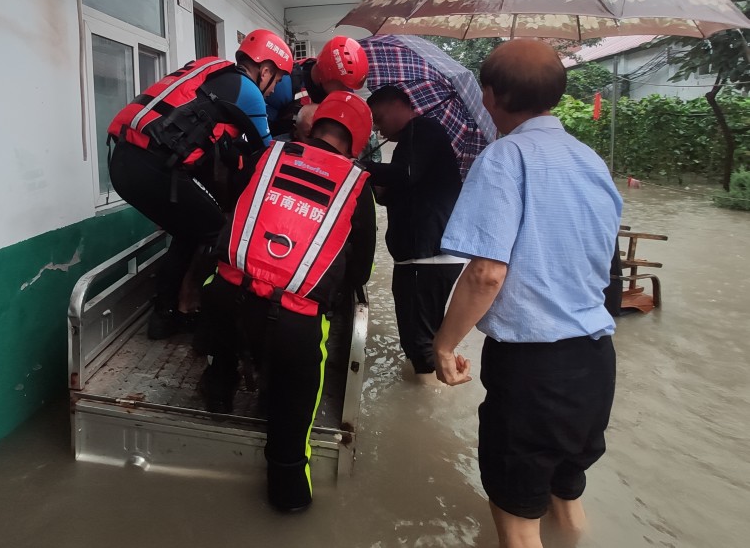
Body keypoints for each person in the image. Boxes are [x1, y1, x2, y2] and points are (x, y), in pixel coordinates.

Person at [433, 38, 622, 548]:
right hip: (595, 365)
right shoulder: (591, 162)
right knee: (566, 495)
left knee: (518, 522)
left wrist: (445, 345)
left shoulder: (504, 157)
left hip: (534, 373)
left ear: (490, 95)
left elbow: (485, 275)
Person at [200, 92, 376, 512]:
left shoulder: (269, 155)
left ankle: (220, 390)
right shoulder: (357, 185)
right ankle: (288, 497)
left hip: (226, 295)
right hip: (295, 321)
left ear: (313, 126)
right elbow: (361, 272)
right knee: (294, 412)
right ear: (356, 143)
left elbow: (235, 209)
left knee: (219, 305)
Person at [107, 29, 293, 339]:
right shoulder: (249, 92)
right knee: (218, 231)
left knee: (189, 230)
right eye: (277, 81)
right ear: (265, 70)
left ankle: (163, 317)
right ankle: (187, 306)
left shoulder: (211, 70)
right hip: (155, 168)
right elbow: (267, 159)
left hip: (122, 160)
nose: (274, 90)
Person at [364, 85, 464, 377]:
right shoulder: (412, 141)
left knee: (422, 346)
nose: (379, 130)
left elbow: (406, 175)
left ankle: (429, 403)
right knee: (417, 340)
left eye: (379, 119)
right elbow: (395, 191)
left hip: (427, 256)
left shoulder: (424, 128)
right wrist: (376, 180)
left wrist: (362, 166)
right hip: (419, 258)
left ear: (398, 106)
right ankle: (426, 395)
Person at [266, 35, 368, 139]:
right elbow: (262, 133)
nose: (346, 91)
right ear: (326, 73)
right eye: (343, 85)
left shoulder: (345, 93)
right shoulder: (284, 84)